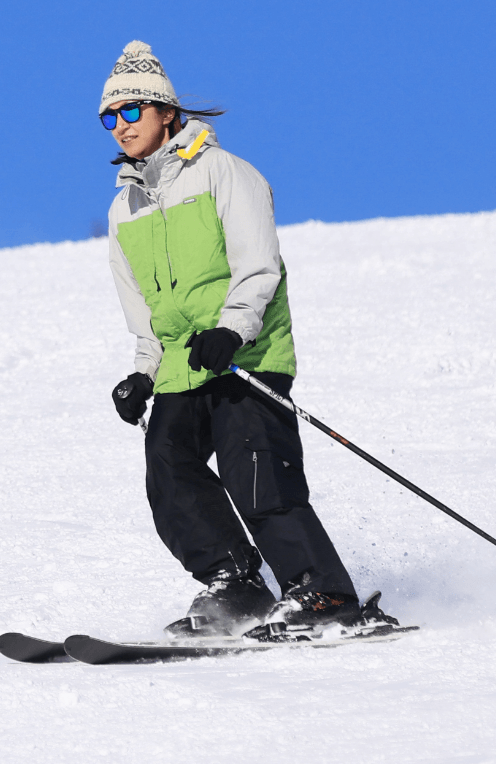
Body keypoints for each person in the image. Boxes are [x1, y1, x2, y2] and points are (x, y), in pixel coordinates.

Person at [100, 40, 372, 639]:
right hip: (181, 368)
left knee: (257, 475)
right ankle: (237, 585)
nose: (119, 126)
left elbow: (258, 267)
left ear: (165, 113)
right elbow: (144, 314)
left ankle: (322, 593)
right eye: (109, 117)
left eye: (131, 112)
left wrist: (232, 330)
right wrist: (144, 372)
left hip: (245, 355)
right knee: (170, 470)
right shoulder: (125, 211)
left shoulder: (227, 173)